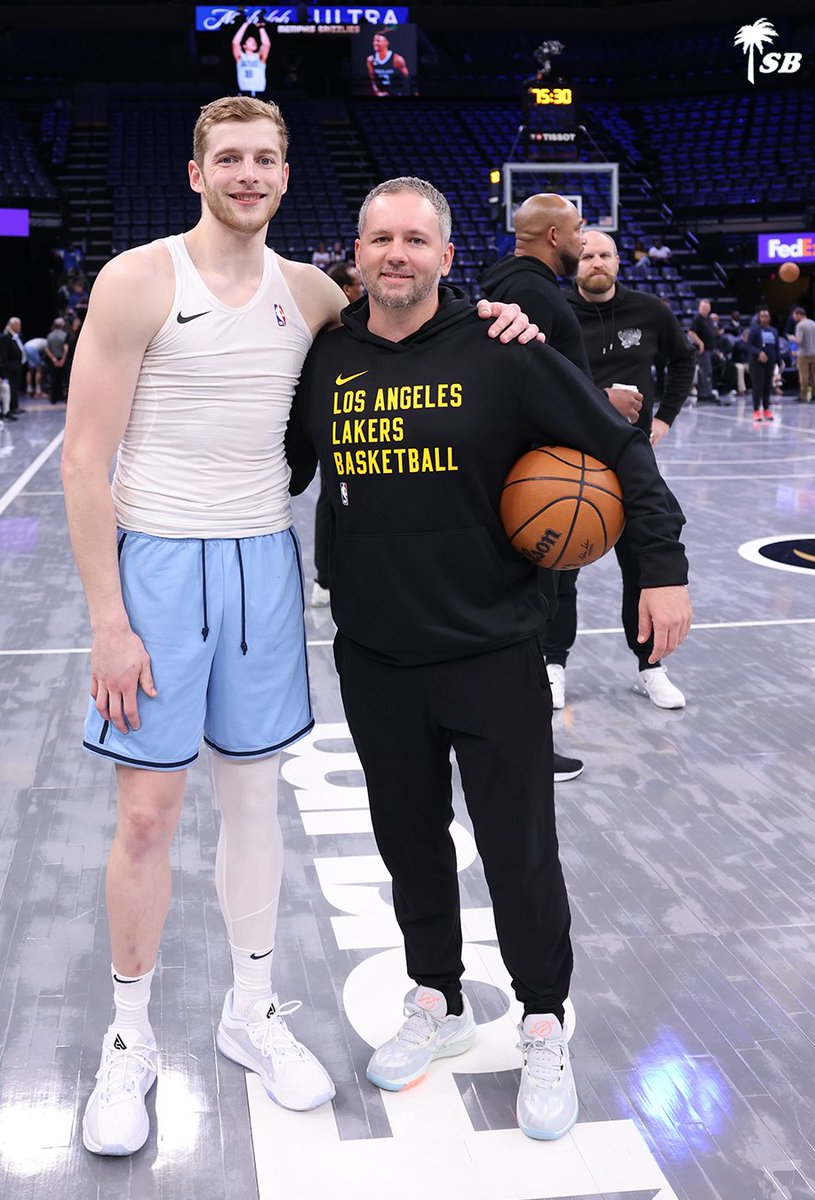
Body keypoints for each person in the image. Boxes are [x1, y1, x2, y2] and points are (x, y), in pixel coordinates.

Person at [61, 93, 547, 1159]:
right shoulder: (139, 279)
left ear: (285, 177)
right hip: (156, 566)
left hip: (263, 569)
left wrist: (506, 312)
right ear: (196, 172)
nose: (247, 173)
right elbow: (82, 459)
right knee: (146, 817)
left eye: (265, 158)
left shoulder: (314, 295)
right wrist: (108, 617)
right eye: (227, 157)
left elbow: (416, 326)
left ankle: (252, 1013)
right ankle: (130, 1039)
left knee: (255, 805)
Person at [285, 176, 692, 1143]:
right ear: (357, 252)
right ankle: (437, 997)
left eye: (414, 240)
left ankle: (544, 1018)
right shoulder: (327, 358)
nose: (396, 254)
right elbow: (283, 464)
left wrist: (661, 568)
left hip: (494, 648)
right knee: (410, 842)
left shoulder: (505, 349)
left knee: (519, 850)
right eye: (379, 237)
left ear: (445, 253)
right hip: (377, 653)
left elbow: (620, 449)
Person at [480, 193, 638, 748]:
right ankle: (526, 744)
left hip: (529, 471)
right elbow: (531, 387)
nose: (582, 242)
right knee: (539, 602)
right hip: (544, 477)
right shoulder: (531, 290)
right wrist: (602, 402)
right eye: (577, 233)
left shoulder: (510, 281)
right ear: (552, 236)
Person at [566, 230, 695, 709]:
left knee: (642, 562)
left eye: (604, 254)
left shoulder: (651, 311)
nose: (596, 262)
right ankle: (553, 662)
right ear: (573, 263)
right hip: (570, 458)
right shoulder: (559, 316)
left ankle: (650, 666)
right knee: (560, 565)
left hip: (632, 458)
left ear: (618, 262)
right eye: (586, 255)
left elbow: (684, 361)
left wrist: (664, 418)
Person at [311, 263, 367, 608]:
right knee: (330, 498)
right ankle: (323, 578)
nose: (362, 290)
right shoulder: (331, 327)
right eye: (358, 284)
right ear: (345, 290)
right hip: (334, 418)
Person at [746, 307, 780, 422]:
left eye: (767, 316)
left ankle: (766, 409)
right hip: (757, 363)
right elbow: (749, 346)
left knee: (767, 386)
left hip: (770, 362)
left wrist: (779, 361)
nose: (765, 318)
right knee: (758, 386)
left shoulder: (774, 331)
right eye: (762, 316)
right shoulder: (755, 330)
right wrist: (759, 352)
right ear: (759, 318)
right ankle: (756, 410)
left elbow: (776, 348)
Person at [689, 299, 718, 403]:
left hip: (710, 350)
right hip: (702, 351)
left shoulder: (708, 319)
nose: (705, 309)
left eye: (707, 307)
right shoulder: (697, 319)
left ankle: (707, 392)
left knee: (708, 371)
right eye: (703, 307)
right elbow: (691, 332)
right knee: (704, 371)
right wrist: (700, 343)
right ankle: (704, 394)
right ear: (699, 307)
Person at [232, 18, 270, 96]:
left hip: (259, 94)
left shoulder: (259, 57)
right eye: (250, 41)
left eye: (255, 41)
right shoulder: (240, 57)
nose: (254, 42)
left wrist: (261, 27)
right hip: (244, 95)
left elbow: (266, 44)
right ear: (244, 45)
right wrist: (245, 24)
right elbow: (235, 43)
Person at [366, 31, 409, 97]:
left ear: (386, 42)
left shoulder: (397, 59)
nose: (375, 43)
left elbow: (406, 79)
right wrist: (377, 92)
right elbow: (372, 80)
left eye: (378, 41)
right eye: (374, 41)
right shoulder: (370, 60)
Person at [793, 306, 815, 403]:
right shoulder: (814, 324)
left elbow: (799, 340)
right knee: (813, 375)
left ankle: (803, 396)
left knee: (803, 376)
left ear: (799, 315)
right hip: (814, 353)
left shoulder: (800, 325)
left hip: (804, 354)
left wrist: (792, 338)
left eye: (795, 316)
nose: (794, 318)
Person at [45, 317, 69, 405]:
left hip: (54, 360)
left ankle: (53, 399)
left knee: (54, 380)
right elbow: (66, 349)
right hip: (63, 359)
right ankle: (65, 398)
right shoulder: (64, 335)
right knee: (65, 380)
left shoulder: (50, 335)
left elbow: (47, 348)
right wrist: (62, 360)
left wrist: (53, 359)